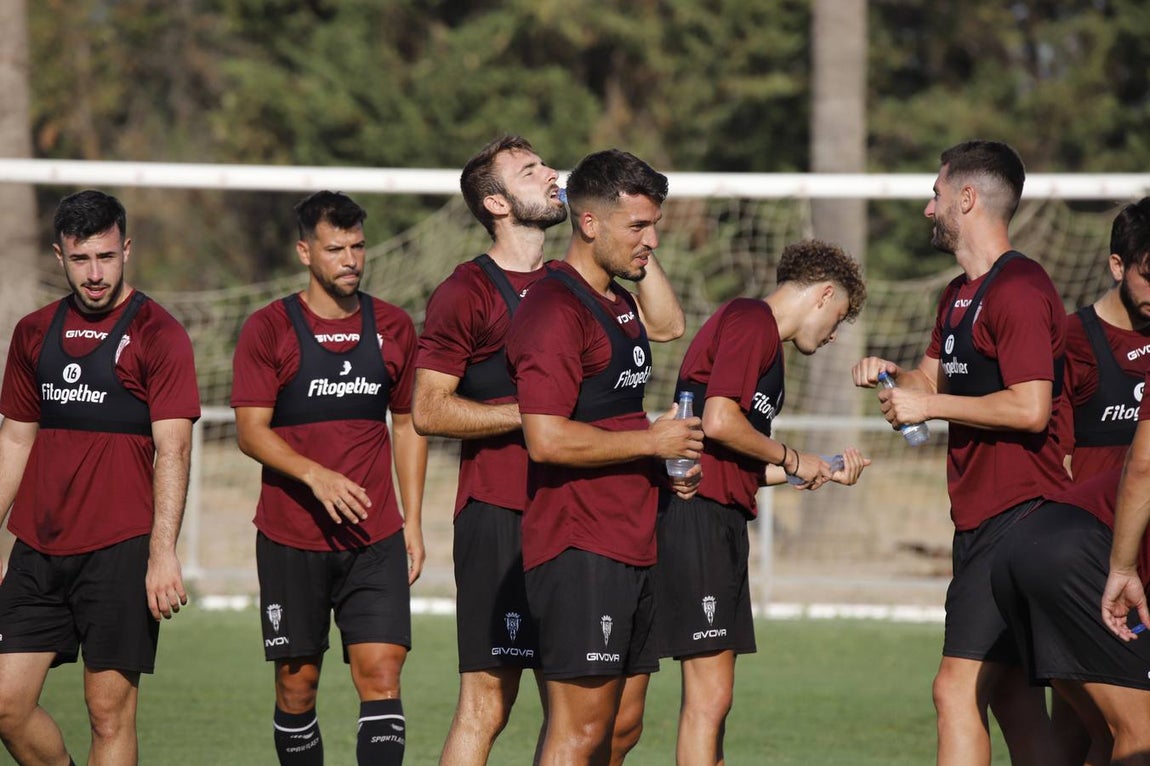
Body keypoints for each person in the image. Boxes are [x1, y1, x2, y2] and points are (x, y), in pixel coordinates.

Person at [414, 136, 686, 766]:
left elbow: (668, 326)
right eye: (529, 171)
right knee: (489, 702)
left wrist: (634, 235)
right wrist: (543, 410)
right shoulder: (470, 290)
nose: (549, 175)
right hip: (500, 510)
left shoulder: (593, 286)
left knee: (600, 719)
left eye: (548, 166)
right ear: (496, 203)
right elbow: (427, 410)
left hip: (580, 508)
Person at [851, 140, 1069, 766]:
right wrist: (895, 379)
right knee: (1014, 699)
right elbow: (929, 382)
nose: (929, 208)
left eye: (937, 194)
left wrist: (930, 408)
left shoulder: (1019, 287)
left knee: (955, 689)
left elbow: (1030, 407)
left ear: (967, 198)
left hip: (1021, 517)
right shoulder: (956, 294)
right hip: (979, 520)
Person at [504, 148, 702, 765]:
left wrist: (663, 461)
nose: (652, 241)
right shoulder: (553, 309)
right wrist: (651, 442)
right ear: (589, 223)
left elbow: (669, 325)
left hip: (633, 535)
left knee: (621, 729)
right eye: (638, 226)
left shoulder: (616, 300)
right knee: (579, 731)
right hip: (579, 542)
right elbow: (546, 438)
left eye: (655, 226)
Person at [0, 190, 200, 765]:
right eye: (81, 259)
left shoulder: (160, 334)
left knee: (108, 714)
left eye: (106, 257)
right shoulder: (33, 332)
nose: (95, 274)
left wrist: (162, 552)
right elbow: (15, 439)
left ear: (126, 250)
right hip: (38, 547)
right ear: (59, 256)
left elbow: (174, 450)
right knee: (7, 704)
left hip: (121, 550)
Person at [231, 191, 427, 766]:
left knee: (383, 674)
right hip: (291, 537)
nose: (350, 260)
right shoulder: (268, 328)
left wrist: (413, 520)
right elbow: (250, 431)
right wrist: (314, 475)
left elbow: (408, 423)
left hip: (375, 537)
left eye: (357, 247)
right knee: (297, 686)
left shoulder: (394, 326)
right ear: (304, 252)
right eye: (335, 248)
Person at [657, 238, 870, 765]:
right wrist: (794, 457)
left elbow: (737, 462)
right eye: (838, 318)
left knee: (715, 700)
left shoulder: (766, 347)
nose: (834, 334)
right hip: (698, 516)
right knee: (708, 699)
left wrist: (818, 467)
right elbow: (718, 421)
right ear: (823, 295)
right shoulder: (751, 319)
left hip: (721, 519)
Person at [1047, 197, 1150, 762]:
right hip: (1095, 561)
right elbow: (1053, 461)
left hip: (1143, 560)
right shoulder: (1072, 340)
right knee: (1088, 731)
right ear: (1117, 265)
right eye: (1148, 274)